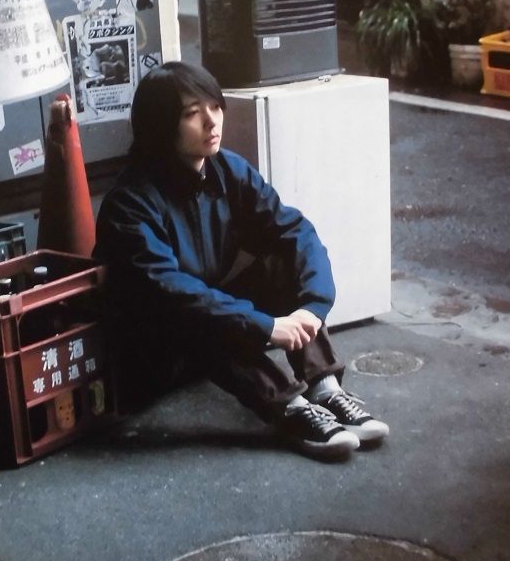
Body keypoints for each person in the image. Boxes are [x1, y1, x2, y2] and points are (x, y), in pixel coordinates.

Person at [94, 61, 389, 460]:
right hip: (157, 346)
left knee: (278, 262)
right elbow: (171, 293)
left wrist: (312, 307)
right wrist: (266, 326)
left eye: (215, 106)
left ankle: (325, 390)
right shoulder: (131, 202)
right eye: (192, 113)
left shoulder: (226, 170)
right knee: (201, 312)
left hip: (204, 317)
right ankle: (291, 409)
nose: (211, 121)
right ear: (160, 125)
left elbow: (294, 231)